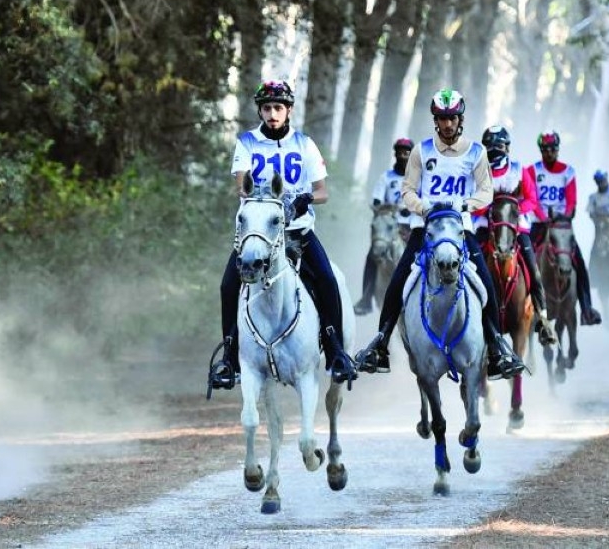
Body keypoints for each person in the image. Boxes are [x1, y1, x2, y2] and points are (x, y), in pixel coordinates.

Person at [353, 89, 526, 380]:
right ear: (436, 120)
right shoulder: (421, 151)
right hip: (427, 228)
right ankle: (380, 344)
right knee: (398, 280)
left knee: (485, 281)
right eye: (442, 118)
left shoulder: (476, 153)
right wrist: (423, 208)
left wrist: (466, 205)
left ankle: (497, 348)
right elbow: (407, 190)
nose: (447, 124)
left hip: (461, 228)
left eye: (452, 118)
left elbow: (486, 192)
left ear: (461, 119)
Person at [208, 80, 357, 393]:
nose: (272, 113)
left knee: (329, 281)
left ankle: (336, 353)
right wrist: (259, 197)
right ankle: (230, 359)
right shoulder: (247, 142)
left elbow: (322, 191)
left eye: (278, 107)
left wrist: (304, 198)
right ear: (260, 111)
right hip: (259, 235)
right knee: (227, 286)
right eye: (267, 108)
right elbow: (240, 184)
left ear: (288, 110)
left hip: (297, 233)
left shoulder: (304, 144)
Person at [473, 125, 556, 346]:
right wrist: (492, 208)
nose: (494, 150)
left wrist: (513, 209)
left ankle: (543, 319)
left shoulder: (519, 170)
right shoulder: (479, 172)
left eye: (499, 146)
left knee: (533, 269)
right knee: (468, 264)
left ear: (507, 148)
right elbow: (474, 204)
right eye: (490, 146)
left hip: (516, 226)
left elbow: (532, 199)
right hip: (485, 225)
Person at [526, 131, 601, 325]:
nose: (549, 153)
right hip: (540, 224)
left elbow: (571, 200)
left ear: (558, 150)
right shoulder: (532, 171)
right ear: (541, 151)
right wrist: (544, 218)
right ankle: (524, 306)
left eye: (553, 149)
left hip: (562, 225)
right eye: (545, 150)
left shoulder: (568, 172)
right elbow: (532, 200)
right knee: (526, 260)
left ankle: (586, 309)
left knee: (579, 263)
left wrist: (565, 217)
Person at [354, 138, 415, 315]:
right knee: (373, 254)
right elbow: (377, 199)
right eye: (400, 151)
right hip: (389, 223)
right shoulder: (386, 177)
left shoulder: (418, 177)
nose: (403, 154)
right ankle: (366, 298)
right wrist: (385, 208)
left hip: (411, 225)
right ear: (395, 153)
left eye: (407, 151)